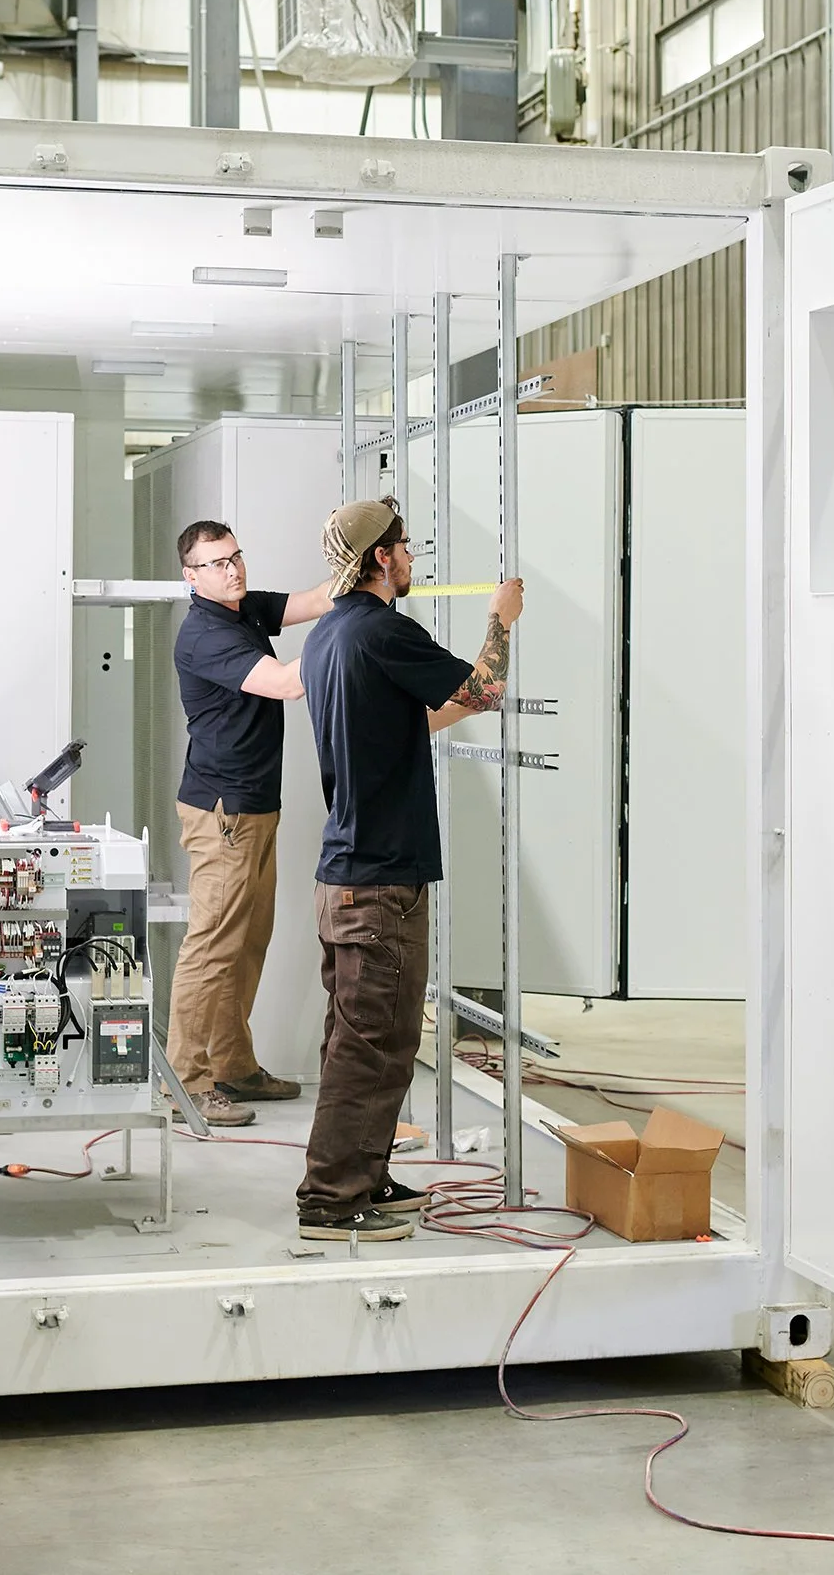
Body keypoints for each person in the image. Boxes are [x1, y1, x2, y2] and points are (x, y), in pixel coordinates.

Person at [293, 499, 523, 1240]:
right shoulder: (386, 629)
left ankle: (365, 1175)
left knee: (371, 1044)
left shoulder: (331, 638)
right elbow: (486, 688)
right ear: (380, 559)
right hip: (380, 884)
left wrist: (463, 698)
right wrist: (500, 621)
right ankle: (331, 1199)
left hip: (348, 879)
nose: (412, 557)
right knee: (372, 1049)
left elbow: (415, 717)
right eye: (405, 546)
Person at [167, 519, 337, 1127]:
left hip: (254, 807)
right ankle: (185, 1083)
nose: (233, 570)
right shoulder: (204, 634)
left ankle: (232, 1067)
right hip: (222, 814)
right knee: (211, 947)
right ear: (192, 576)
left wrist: (356, 571)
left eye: (236, 556)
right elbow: (287, 684)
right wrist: (347, 630)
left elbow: (313, 600)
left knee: (246, 943)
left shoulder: (241, 609)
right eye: (217, 564)